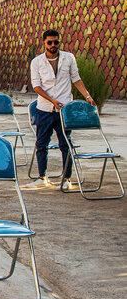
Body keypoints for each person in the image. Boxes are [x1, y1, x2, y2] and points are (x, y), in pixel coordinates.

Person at [26, 29, 96, 190]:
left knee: (66, 143)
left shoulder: (68, 58)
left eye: (55, 42)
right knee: (41, 143)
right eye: (49, 42)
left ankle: (67, 178)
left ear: (59, 42)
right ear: (43, 43)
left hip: (64, 108)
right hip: (44, 108)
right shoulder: (37, 62)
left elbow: (76, 79)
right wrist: (52, 100)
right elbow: (36, 86)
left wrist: (87, 96)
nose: (53, 45)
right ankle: (42, 176)